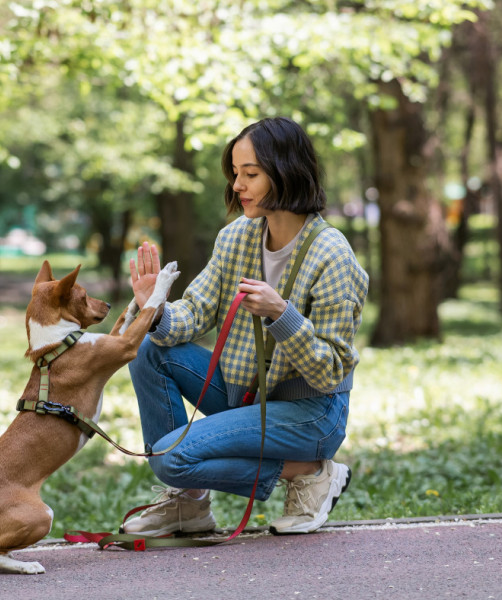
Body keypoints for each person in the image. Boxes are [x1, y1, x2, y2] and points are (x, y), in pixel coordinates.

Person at [122, 116, 370, 536]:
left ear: (286, 171)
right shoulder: (237, 236)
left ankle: (310, 471)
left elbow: (331, 370)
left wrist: (281, 314)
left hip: (310, 413)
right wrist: (156, 309)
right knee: (150, 350)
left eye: (251, 174)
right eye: (236, 174)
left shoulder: (333, 256)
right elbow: (197, 310)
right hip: (248, 394)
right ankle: (189, 504)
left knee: (170, 458)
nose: (238, 185)